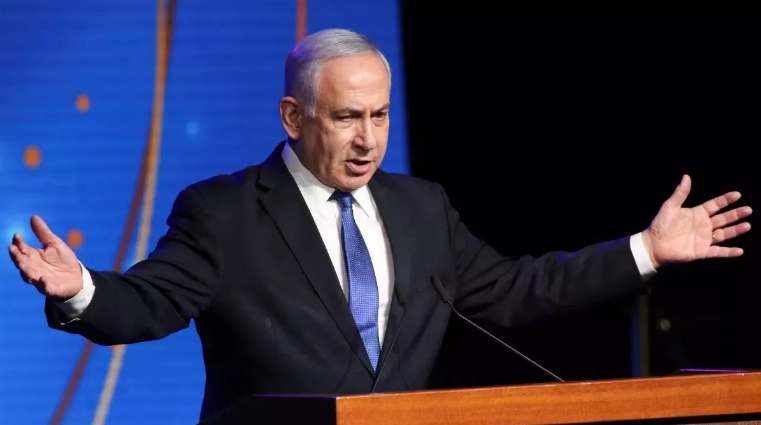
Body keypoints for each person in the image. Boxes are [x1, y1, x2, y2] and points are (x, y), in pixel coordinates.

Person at [7, 29, 752, 421]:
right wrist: (81, 290)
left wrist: (645, 251)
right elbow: (151, 303)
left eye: (380, 115)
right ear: (293, 117)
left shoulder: (420, 206)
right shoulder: (223, 211)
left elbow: (517, 290)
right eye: (346, 117)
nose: (368, 139)